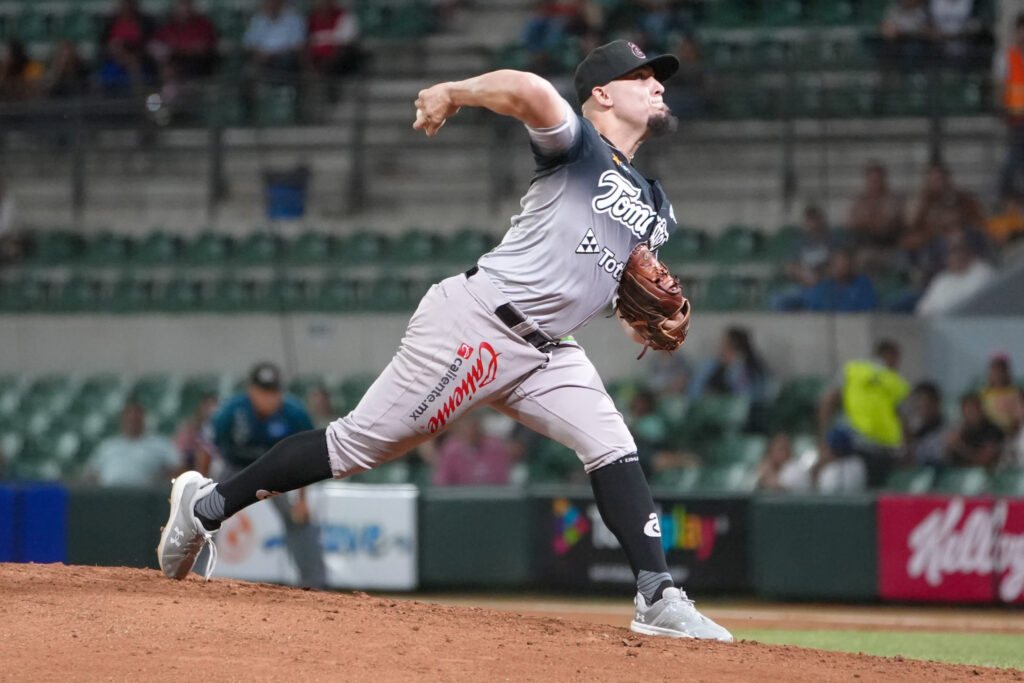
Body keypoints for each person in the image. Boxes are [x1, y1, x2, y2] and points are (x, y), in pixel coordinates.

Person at [158, 40, 733, 641]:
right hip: (479, 324)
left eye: (658, 78)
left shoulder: (655, 204)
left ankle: (657, 595)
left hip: (547, 351)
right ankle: (205, 506)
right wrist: (453, 92)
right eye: (642, 76)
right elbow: (532, 91)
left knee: (612, 444)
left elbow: (609, 284)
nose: (658, 85)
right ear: (602, 93)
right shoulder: (579, 148)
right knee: (352, 448)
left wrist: (641, 318)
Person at [193, 362, 327, 589]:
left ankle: (315, 584)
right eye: (263, 392)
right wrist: (200, 486)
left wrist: (302, 500)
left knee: (299, 518)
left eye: (273, 393)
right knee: (205, 514)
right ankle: (192, 576)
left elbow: (308, 455)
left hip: (275, 469)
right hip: (234, 468)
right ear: (251, 390)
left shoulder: (293, 412)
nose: (268, 399)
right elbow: (206, 446)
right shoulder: (233, 408)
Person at [817, 339, 910, 487]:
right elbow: (904, 422)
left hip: (850, 444)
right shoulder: (896, 382)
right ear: (890, 356)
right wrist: (907, 452)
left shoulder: (852, 370)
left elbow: (826, 401)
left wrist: (823, 439)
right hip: (879, 449)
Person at [81, 401, 181, 487]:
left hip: (144, 498)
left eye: (136, 416)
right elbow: (92, 473)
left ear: (143, 418)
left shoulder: (160, 444)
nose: (132, 420)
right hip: (109, 496)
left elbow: (176, 469)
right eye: (128, 417)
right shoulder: (108, 446)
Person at [914, 231, 995, 315]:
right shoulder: (942, 279)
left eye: (959, 250)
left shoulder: (984, 273)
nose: (956, 256)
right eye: (951, 252)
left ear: (969, 251)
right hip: (941, 324)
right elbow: (923, 309)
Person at [431, 412, 519, 486]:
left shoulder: (495, 447)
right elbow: (442, 482)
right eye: (466, 428)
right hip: (459, 500)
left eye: (474, 427)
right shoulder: (450, 451)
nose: (471, 432)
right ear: (459, 431)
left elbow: (502, 481)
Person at [688, 326, 767, 403]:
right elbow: (694, 393)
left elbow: (747, 398)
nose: (720, 347)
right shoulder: (710, 366)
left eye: (723, 343)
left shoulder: (749, 370)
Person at [97, 0, 157, 96]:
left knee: (132, 62)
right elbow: (103, 43)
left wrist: (129, 47)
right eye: (124, 4)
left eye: (129, 3)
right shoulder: (110, 22)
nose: (126, 7)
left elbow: (149, 43)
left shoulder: (145, 22)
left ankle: (138, 96)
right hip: (114, 58)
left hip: (138, 57)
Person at [848, 161, 904, 259]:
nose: (875, 183)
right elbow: (853, 223)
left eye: (878, 180)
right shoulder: (859, 200)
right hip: (865, 246)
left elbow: (887, 224)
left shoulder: (893, 199)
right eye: (872, 180)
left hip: (890, 246)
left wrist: (869, 221)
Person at [243, 0, 306, 82]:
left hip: (284, 56)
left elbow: (298, 45)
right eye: (268, 2)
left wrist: (272, 54)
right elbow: (247, 43)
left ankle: (283, 91)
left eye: (274, 2)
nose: (271, 4)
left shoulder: (294, 19)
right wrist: (260, 52)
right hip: (261, 56)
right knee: (250, 66)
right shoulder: (258, 20)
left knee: (285, 61)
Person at [998, 14, 1024, 203]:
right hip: (1016, 119)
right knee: (1015, 158)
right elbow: (999, 88)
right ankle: (1006, 194)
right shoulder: (1006, 57)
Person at [946, 393, 1004, 469]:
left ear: (981, 409)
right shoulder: (962, 431)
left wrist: (959, 446)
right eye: (966, 410)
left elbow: (984, 460)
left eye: (973, 409)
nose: (970, 413)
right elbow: (947, 458)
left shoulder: (993, 431)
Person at [306, 0, 363, 77]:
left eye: (326, 2)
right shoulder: (313, 18)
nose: (323, 5)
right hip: (316, 56)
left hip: (338, 56)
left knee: (338, 53)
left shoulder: (344, 16)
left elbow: (345, 41)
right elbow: (308, 40)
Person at [901, 381, 947, 465]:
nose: (919, 406)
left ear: (936, 402)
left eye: (923, 400)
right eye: (916, 401)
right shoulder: (919, 430)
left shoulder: (947, 431)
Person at [173, 392, 219, 471]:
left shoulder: (219, 427)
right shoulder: (190, 427)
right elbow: (178, 451)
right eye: (208, 406)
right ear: (201, 407)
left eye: (214, 405)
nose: (211, 409)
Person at [979, 353, 1022, 434]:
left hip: (1012, 432)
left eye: (1001, 371)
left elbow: (1019, 413)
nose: (998, 374)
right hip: (990, 433)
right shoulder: (984, 393)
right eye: (995, 370)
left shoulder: (1015, 392)